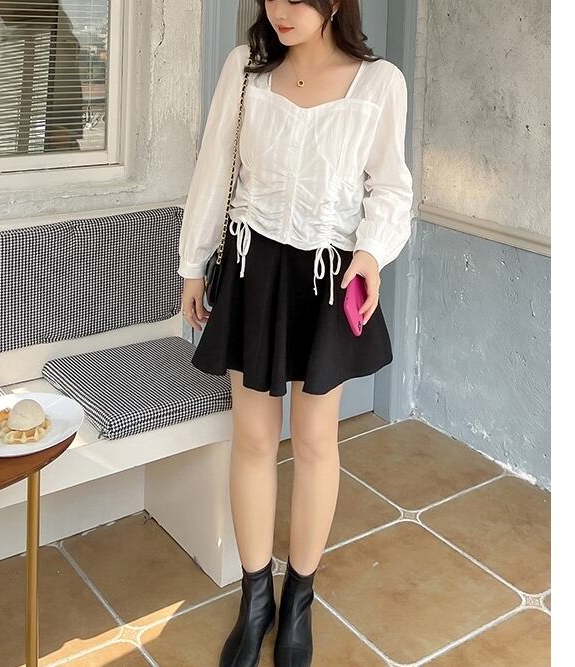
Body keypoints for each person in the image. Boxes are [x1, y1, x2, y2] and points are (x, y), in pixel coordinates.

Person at [177, 1, 413, 665]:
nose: (278, 9)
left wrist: (372, 253)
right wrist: (193, 263)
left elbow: (391, 188)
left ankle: (299, 600)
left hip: (330, 276)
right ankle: (255, 598)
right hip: (253, 269)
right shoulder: (245, 70)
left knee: (313, 441)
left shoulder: (379, 83)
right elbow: (213, 167)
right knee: (253, 438)